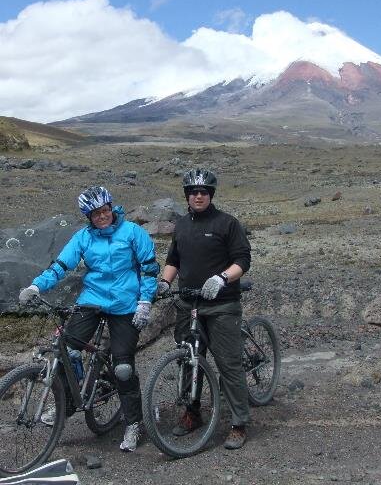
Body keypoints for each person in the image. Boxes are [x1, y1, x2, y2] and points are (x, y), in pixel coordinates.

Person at [19, 186, 159, 453]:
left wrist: (144, 302)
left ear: (111, 208)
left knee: (123, 368)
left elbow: (150, 268)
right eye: (95, 214)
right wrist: (36, 286)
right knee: (66, 349)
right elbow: (61, 265)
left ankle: (133, 423)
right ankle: (68, 402)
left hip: (125, 304)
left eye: (104, 210)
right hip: (91, 301)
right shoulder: (83, 237)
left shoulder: (132, 232)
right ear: (89, 216)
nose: (101, 216)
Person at [158, 168, 251, 450]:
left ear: (210, 195)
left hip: (222, 306)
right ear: (187, 196)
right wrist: (164, 282)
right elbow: (174, 259)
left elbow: (243, 260)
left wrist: (222, 277)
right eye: (193, 192)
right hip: (189, 304)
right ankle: (192, 412)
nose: (198, 196)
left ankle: (239, 423)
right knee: (189, 359)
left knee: (229, 364)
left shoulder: (227, 223)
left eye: (203, 192)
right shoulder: (182, 225)